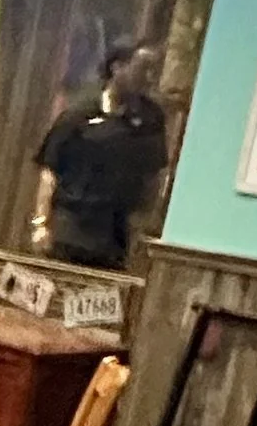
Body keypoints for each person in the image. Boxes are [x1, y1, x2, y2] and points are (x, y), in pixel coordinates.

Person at [31, 42, 169, 270]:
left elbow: (154, 175)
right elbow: (50, 170)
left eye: (154, 70)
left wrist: (144, 225)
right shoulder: (79, 112)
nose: (149, 77)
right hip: (71, 226)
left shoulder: (150, 118)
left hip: (116, 234)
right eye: (143, 68)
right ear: (117, 67)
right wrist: (41, 224)